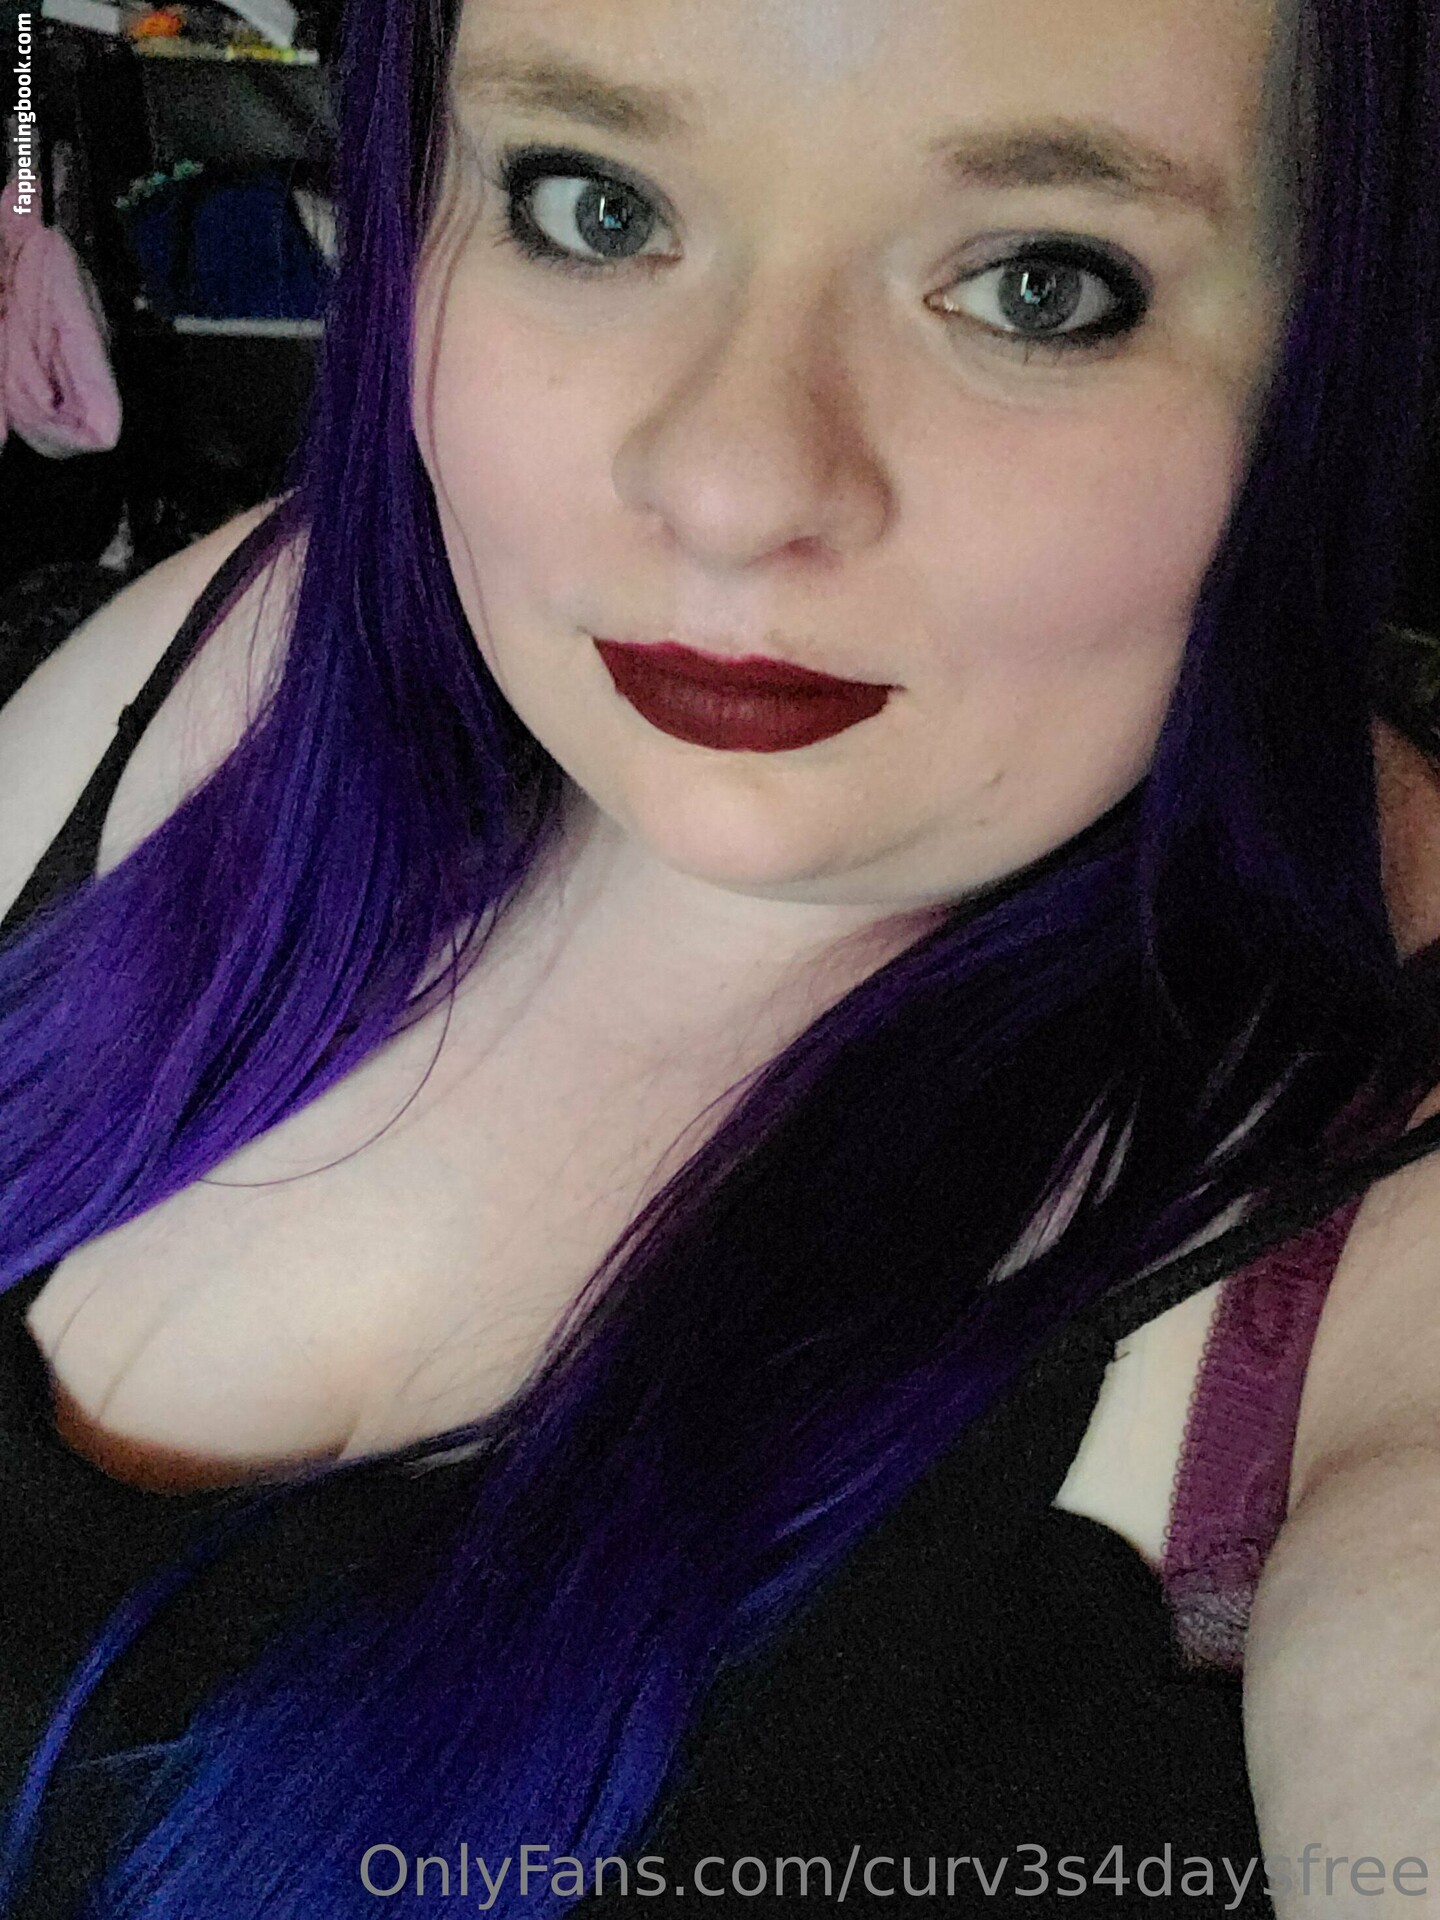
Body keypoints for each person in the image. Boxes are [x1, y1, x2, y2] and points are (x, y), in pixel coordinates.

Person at [1, 0, 1439, 1913]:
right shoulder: (239, 651)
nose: (733, 488)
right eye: (592, 205)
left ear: (1325, 341)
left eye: (1043, 283)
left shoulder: (1373, 1255)